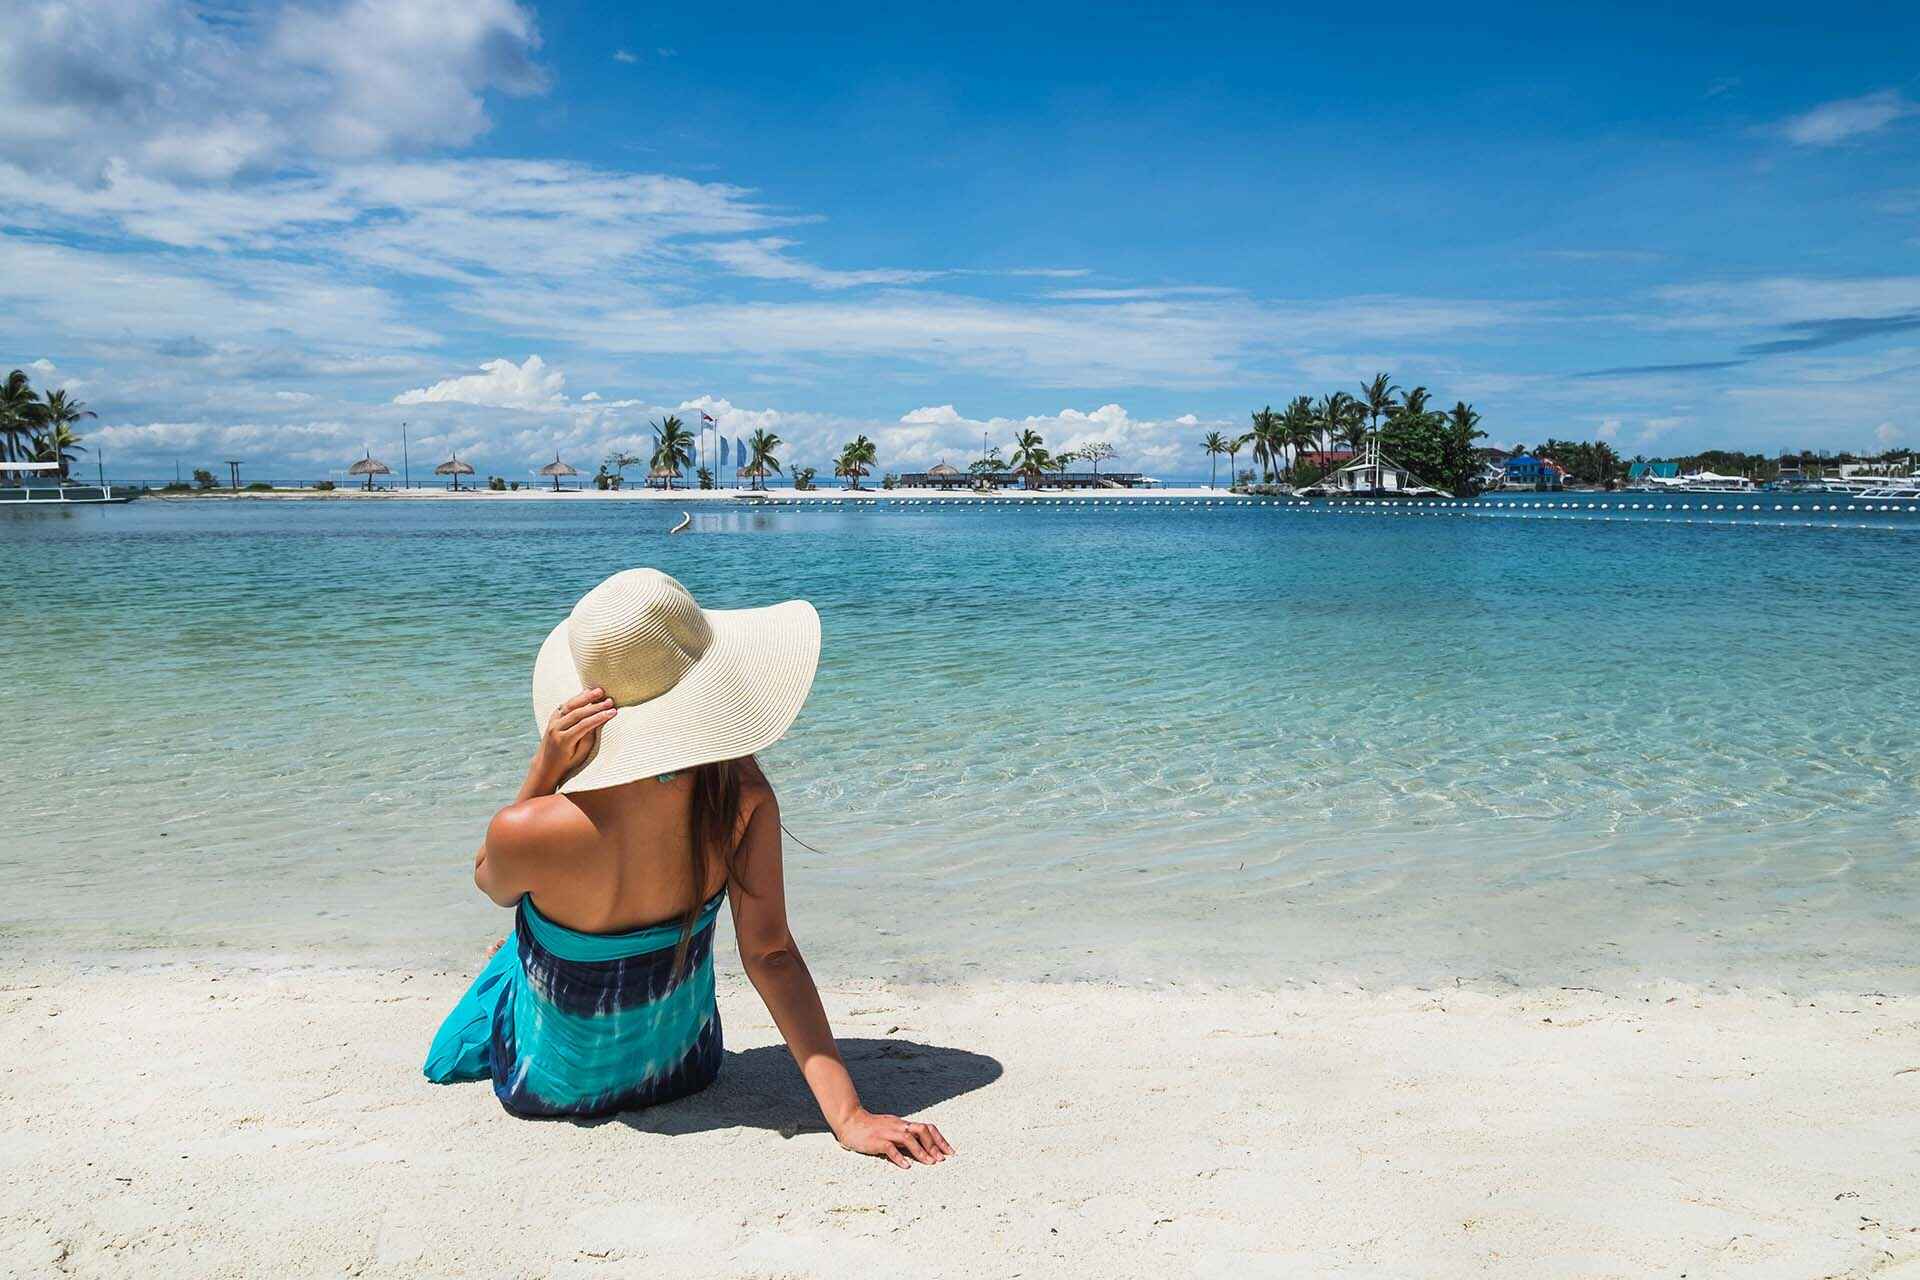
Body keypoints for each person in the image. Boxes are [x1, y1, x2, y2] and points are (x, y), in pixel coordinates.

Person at [424, 568, 952, 1169]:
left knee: (518, 923)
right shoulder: (741, 800)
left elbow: (490, 881)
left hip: (545, 1087)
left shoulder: (526, 828)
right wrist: (849, 1117)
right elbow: (771, 954)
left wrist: (544, 770)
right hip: (685, 1068)